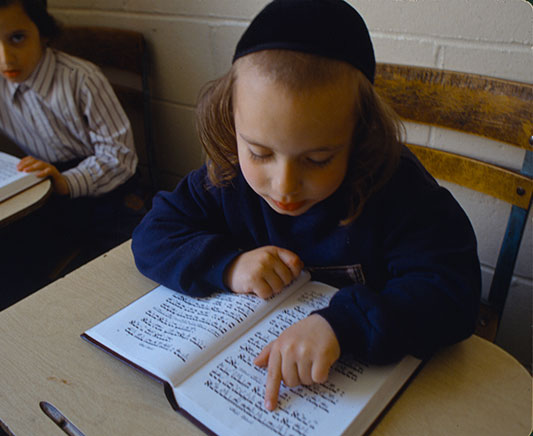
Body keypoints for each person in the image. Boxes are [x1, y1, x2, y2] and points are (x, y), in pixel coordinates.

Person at [132, 0, 480, 411]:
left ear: (361, 134)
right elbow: (152, 234)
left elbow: (452, 292)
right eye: (259, 152)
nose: (284, 186)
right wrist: (227, 265)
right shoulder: (227, 175)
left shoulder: (398, 188)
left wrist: (344, 326)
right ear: (232, 121)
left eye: (318, 160)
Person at [0, 0, 143, 266]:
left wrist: (65, 182)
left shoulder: (82, 79)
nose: (5, 57)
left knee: (121, 261)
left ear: (42, 32)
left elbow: (120, 157)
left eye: (17, 38)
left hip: (107, 190)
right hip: (47, 192)